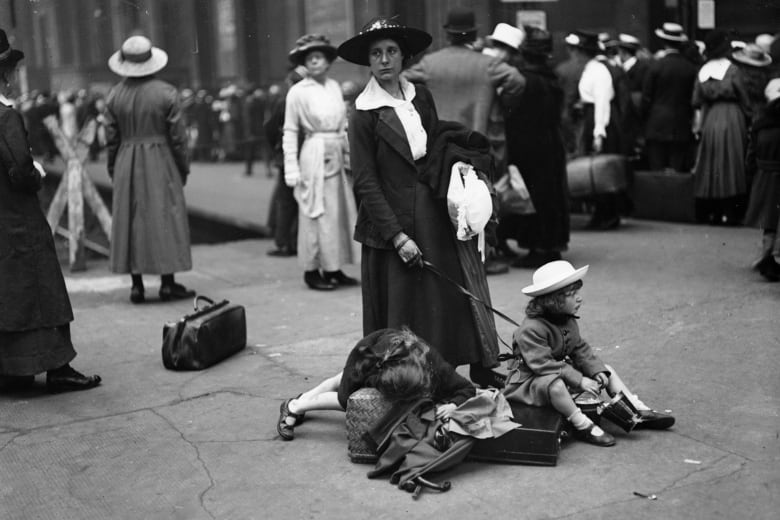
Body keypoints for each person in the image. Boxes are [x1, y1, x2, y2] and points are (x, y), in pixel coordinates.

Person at [338, 17, 504, 388]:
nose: (384, 60)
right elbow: (365, 180)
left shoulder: (420, 96)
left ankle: (463, 369)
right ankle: (412, 381)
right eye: (376, 53)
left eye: (391, 52)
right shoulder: (363, 113)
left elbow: (435, 149)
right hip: (391, 222)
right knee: (406, 310)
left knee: (446, 297)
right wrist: (397, 237)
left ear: (403, 57)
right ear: (369, 60)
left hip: (431, 211)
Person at [0, 28, 101, 393]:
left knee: (9, 292)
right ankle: (58, 367)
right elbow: (21, 170)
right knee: (42, 288)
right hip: (17, 218)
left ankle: (14, 368)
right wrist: (35, 174)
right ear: (5, 74)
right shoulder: (6, 117)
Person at [503, 260, 675, 447]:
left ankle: (635, 409)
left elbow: (580, 349)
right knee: (556, 385)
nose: (579, 298)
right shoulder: (530, 330)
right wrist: (580, 380)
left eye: (578, 292)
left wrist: (596, 371)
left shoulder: (566, 319)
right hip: (530, 383)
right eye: (572, 294)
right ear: (553, 300)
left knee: (606, 369)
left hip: (557, 372)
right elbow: (543, 365)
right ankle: (582, 424)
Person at [105, 35, 195, 303]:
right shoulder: (167, 93)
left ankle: (137, 286)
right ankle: (168, 283)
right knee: (164, 216)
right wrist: (183, 167)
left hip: (126, 159)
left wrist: (114, 167)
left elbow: (111, 138)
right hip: (160, 158)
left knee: (131, 219)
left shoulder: (114, 95)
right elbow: (178, 137)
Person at [277, 327, 476, 441]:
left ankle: (303, 399)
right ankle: (294, 406)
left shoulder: (438, 368)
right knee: (345, 399)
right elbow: (345, 398)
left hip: (389, 351)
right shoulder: (369, 365)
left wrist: (453, 405)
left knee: (339, 380)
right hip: (368, 352)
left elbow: (468, 388)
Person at [283, 34, 359, 291]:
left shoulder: (334, 87)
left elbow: (344, 123)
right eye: (310, 57)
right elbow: (291, 131)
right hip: (313, 154)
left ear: (327, 61)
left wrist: (349, 152)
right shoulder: (297, 92)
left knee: (337, 212)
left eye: (320, 56)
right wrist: (291, 167)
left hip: (336, 152)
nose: (315, 61)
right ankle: (312, 270)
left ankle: (334, 267)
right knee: (314, 212)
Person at [496, 26, 570, 269]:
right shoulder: (551, 78)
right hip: (551, 143)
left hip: (527, 145)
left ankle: (536, 248)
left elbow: (512, 113)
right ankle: (550, 246)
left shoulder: (523, 79)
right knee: (551, 197)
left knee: (530, 196)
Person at [692, 29, 752, 225]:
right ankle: (732, 211)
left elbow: (697, 100)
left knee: (712, 162)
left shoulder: (703, 71)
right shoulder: (732, 70)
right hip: (731, 116)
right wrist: (749, 116)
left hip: (711, 117)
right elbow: (744, 97)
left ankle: (714, 211)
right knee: (732, 161)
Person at [641, 23, 698, 172]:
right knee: (677, 170)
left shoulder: (655, 66)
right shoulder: (690, 68)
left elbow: (646, 98)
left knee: (656, 169)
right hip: (681, 124)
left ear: (663, 42)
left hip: (656, 124)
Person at [265, 67, 305, 257]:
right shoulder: (310, 100)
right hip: (308, 156)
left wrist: (277, 146)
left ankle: (283, 243)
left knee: (286, 201)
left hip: (287, 157)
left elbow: (270, 127)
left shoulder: (285, 101)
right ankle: (298, 242)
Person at [744, 79, 780, 281]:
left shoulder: (760, 124)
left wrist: (751, 175)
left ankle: (766, 255)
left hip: (764, 176)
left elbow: (751, 155)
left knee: (769, 220)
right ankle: (773, 258)